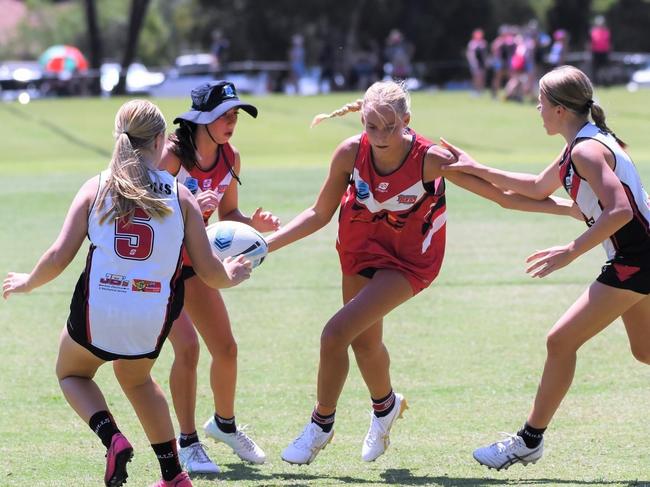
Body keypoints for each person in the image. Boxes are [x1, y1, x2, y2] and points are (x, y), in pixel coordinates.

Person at [265, 80, 579, 465]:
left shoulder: (430, 158)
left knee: (334, 333)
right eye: (371, 126)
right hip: (358, 250)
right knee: (364, 343)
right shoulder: (350, 152)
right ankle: (385, 408)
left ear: (407, 121)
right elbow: (318, 214)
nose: (380, 136)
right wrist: (265, 246)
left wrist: (571, 208)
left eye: (390, 127)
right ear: (361, 121)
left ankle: (320, 425)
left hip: (409, 261)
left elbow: (502, 196)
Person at [2, 99, 251, 487]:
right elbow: (209, 273)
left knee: (71, 372)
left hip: (99, 313)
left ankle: (112, 438)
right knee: (136, 380)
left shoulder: (97, 186)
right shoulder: (181, 197)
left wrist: (28, 282)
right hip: (152, 320)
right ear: (158, 142)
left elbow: (58, 256)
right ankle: (173, 474)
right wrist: (232, 274)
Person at [439, 65, 650, 471]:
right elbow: (535, 189)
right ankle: (529, 441)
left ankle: (528, 440)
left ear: (558, 110)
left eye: (540, 102)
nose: (536, 108)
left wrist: (570, 251)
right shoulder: (581, 145)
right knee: (645, 351)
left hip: (636, 258)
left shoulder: (587, 150)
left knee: (560, 341)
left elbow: (621, 210)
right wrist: (476, 168)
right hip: (637, 257)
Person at [162, 80, 280, 474]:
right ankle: (188, 443)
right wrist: (190, 203)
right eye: (223, 115)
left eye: (235, 115)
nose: (232, 121)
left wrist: (253, 223)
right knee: (188, 349)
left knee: (226, 349)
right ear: (200, 120)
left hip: (196, 264)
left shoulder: (230, 157)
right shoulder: (171, 156)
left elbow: (229, 216)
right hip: (160, 268)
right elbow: (145, 212)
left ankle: (224, 425)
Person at [590, 15, 611, 86]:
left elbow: (609, 42)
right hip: (596, 52)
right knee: (595, 69)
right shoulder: (593, 32)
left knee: (605, 68)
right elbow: (591, 42)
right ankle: (595, 83)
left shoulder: (606, 31)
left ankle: (606, 82)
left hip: (604, 52)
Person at [466, 28, 488, 95]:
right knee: (476, 77)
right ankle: (476, 90)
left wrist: (486, 61)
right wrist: (472, 62)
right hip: (475, 63)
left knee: (482, 77)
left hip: (482, 63)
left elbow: (485, 54)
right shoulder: (472, 43)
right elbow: (470, 53)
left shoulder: (483, 43)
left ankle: (481, 91)